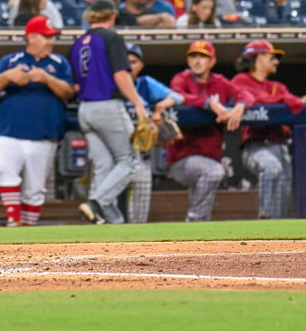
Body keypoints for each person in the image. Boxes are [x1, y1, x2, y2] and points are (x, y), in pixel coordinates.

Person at [0, 16, 75, 226]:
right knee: (7, 175)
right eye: (46, 37)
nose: (51, 42)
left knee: (36, 187)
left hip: (45, 134)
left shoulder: (59, 63)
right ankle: (13, 222)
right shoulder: (11, 60)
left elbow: (69, 92)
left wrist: (47, 78)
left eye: (52, 37)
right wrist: (8, 76)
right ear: (31, 37)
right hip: (11, 131)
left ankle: (28, 228)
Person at [70, 0, 148, 225]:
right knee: (131, 162)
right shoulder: (111, 37)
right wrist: (138, 103)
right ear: (111, 16)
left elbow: (76, 85)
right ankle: (96, 203)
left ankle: (109, 220)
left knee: (104, 164)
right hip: (107, 105)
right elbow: (121, 75)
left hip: (84, 109)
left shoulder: (77, 43)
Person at [169, 41, 251, 221]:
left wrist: (239, 107)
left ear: (212, 61)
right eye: (193, 56)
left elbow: (245, 95)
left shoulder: (219, 82)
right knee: (214, 172)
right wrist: (209, 104)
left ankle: (198, 229)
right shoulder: (181, 79)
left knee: (206, 179)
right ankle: (194, 219)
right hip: (181, 158)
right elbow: (177, 95)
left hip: (209, 154)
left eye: (203, 57)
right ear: (188, 60)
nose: (197, 61)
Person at [232, 40, 305, 219]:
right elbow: (252, 101)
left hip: (281, 146)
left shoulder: (277, 87)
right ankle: (263, 217)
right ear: (258, 58)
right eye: (272, 57)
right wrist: (280, 101)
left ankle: (273, 238)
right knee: (271, 168)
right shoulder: (240, 81)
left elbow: (297, 104)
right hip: (256, 146)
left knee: (281, 201)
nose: (276, 62)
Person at [116, 44, 183, 224]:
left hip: (139, 152)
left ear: (141, 65)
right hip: (114, 151)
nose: (129, 66)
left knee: (143, 188)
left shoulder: (145, 83)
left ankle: (137, 233)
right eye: (125, 62)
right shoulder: (110, 82)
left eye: (134, 62)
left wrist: (161, 105)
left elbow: (177, 97)